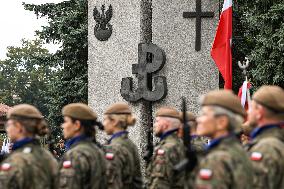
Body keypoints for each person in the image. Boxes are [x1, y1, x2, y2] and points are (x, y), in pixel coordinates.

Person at [193, 90, 253, 189]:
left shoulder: (217, 157)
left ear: (222, 122)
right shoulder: (237, 150)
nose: (198, 119)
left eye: (204, 114)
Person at [0, 104, 58, 188]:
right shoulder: (49, 157)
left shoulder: (15, 161)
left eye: (9, 125)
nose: (7, 129)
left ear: (19, 127)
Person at [58, 103, 107, 189]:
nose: (62, 125)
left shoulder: (76, 154)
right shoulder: (98, 149)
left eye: (66, 121)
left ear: (77, 125)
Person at [245, 85, 284, 189]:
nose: (247, 112)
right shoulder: (277, 141)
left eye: (251, 108)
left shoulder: (265, 148)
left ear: (259, 112)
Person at [102, 102, 143, 189]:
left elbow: (112, 183)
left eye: (105, 120)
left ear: (114, 121)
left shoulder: (114, 148)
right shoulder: (129, 143)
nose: (103, 124)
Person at [146, 107, 186, 189]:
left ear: (165, 124)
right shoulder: (178, 143)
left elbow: (160, 183)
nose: (155, 125)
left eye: (157, 121)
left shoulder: (167, 148)